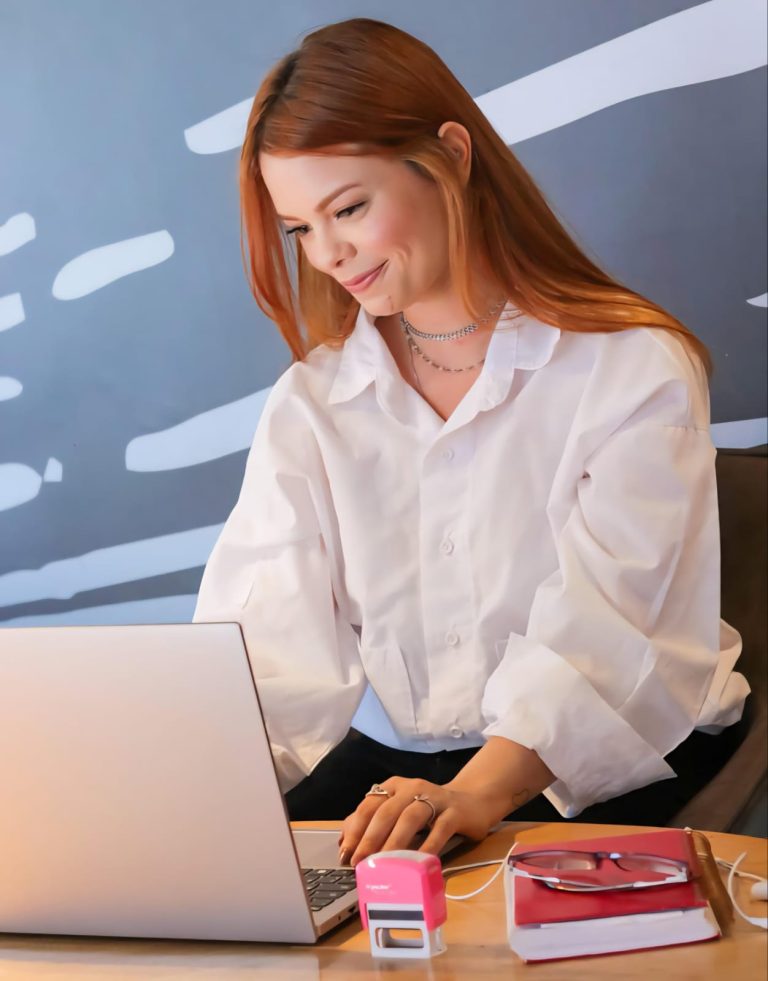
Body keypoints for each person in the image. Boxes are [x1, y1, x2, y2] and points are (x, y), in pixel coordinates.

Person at [193, 18, 750, 867]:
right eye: (300, 228)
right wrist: (185, 799)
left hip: (615, 756)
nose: (329, 253)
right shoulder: (311, 404)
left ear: (452, 154)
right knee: (222, 881)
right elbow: (265, 655)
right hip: (405, 767)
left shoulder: (632, 368)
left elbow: (611, 631)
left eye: (349, 208)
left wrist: (472, 795)